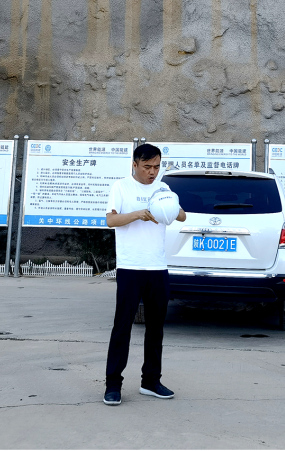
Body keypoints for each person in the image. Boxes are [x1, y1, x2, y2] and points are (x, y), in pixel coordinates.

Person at [103, 143, 186, 406]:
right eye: (147, 166)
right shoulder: (121, 187)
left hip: (157, 267)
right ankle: (113, 385)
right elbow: (111, 220)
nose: (152, 172)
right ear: (135, 164)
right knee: (122, 326)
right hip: (131, 267)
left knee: (156, 328)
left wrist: (170, 208)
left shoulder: (163, 189)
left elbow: (182, 216)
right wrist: (137, 214)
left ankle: (150, 381)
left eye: (157, 167)